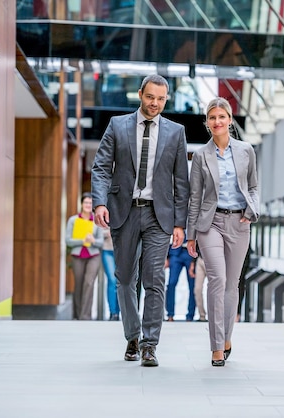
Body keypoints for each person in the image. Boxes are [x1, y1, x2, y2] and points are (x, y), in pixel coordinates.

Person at [91, 74, 190, 367]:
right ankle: (132, 336)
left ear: (166, 99)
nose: (155, 103)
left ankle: (149, 344)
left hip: (160, 215)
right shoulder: (117, 125)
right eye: (150, 97)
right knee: (124, 279)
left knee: (155, 280)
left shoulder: (176, 132)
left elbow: (181, 182)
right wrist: (99, 202)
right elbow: (100, 168)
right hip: (125, 211)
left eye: (161, 99)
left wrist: (180, 223)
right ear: (140, 94)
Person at [186, 97, 259, 367]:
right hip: (210, 223)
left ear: (230, 120)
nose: (217, 122)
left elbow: (253, 187)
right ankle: (217, 346)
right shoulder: (200, 155)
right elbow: (195, 197)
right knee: (216, 280)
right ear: (207, 123)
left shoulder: (246, 150)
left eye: (222, 117)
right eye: (212, 117)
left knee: (232, 284)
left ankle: (227, 337)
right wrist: (192, 233)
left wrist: (253, 211)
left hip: (240, 223)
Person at [65, 193, 104, 320]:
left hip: (93, 256)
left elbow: (101, 242)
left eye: (90, 203)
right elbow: (68, 240)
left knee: (89, 283)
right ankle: (76, 314)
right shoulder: (73, 220)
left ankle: (85, 316)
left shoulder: (96, 221)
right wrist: (82, 240)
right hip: (78, 255)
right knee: (79, 284)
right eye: (86, 202)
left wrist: (92, 240)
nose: (88, 205)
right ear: (82, 204)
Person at [165, 240, 195, 322]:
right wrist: (166, 256)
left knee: (192, 285)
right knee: (171, 283)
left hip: (191, 253)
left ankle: (190, 315)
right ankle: (170, 314)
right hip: (175, 251)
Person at [101, 227, 120, 321]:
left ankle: (120, 311)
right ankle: (113, 312)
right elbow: (95, 229)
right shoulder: (104, 213)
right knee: (112, 280)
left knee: (121, 281)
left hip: (122, 251)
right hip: (107, 250)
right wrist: (106, 233)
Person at [191, 251, 208, 322]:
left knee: (215, 289)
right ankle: (202, 316)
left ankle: (215, 316)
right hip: (200, 259)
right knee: (197, 289)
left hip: (214, 260)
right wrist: (193, 262)